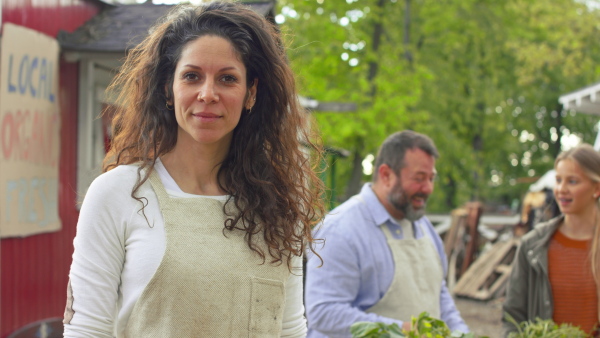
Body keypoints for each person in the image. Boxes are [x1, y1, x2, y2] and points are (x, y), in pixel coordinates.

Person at [63, 2, 325, 336]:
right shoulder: (117, 194)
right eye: (192, 76)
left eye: (227, 79)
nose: (207, 94)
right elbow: (86, 329)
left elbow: (289, 329)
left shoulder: (281, 203)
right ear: (167, 89)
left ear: (251, 93)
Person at [304, 130, 469, 337]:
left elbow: (438, 294)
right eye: (419, 178)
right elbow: (323, 313)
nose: (427, 188)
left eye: (431, 178)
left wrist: (461, 333)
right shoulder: (341, 230)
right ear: (386, 175)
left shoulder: (424, 227)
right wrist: (402, 331)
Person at [503, 143, 600, 336]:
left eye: (572, 181)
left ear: (596, 189)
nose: (561, 189)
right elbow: (512, 317)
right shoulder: (533, 246)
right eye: (558, 180)